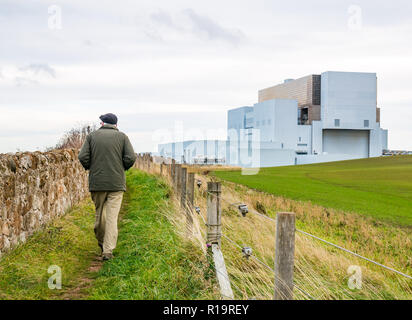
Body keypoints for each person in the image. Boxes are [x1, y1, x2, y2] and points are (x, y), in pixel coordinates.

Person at [78, 113, 136, 261]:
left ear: (102, 123)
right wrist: (121, 168)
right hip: (116, 184)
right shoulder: (123, 137)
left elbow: (82, 156)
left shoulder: (92, 136)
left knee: (100, 215)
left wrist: (92, 167)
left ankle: (102, 243)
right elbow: (130, 157)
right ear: (116, 124)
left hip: (97, 183)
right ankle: (108, 251)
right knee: (111, 218)